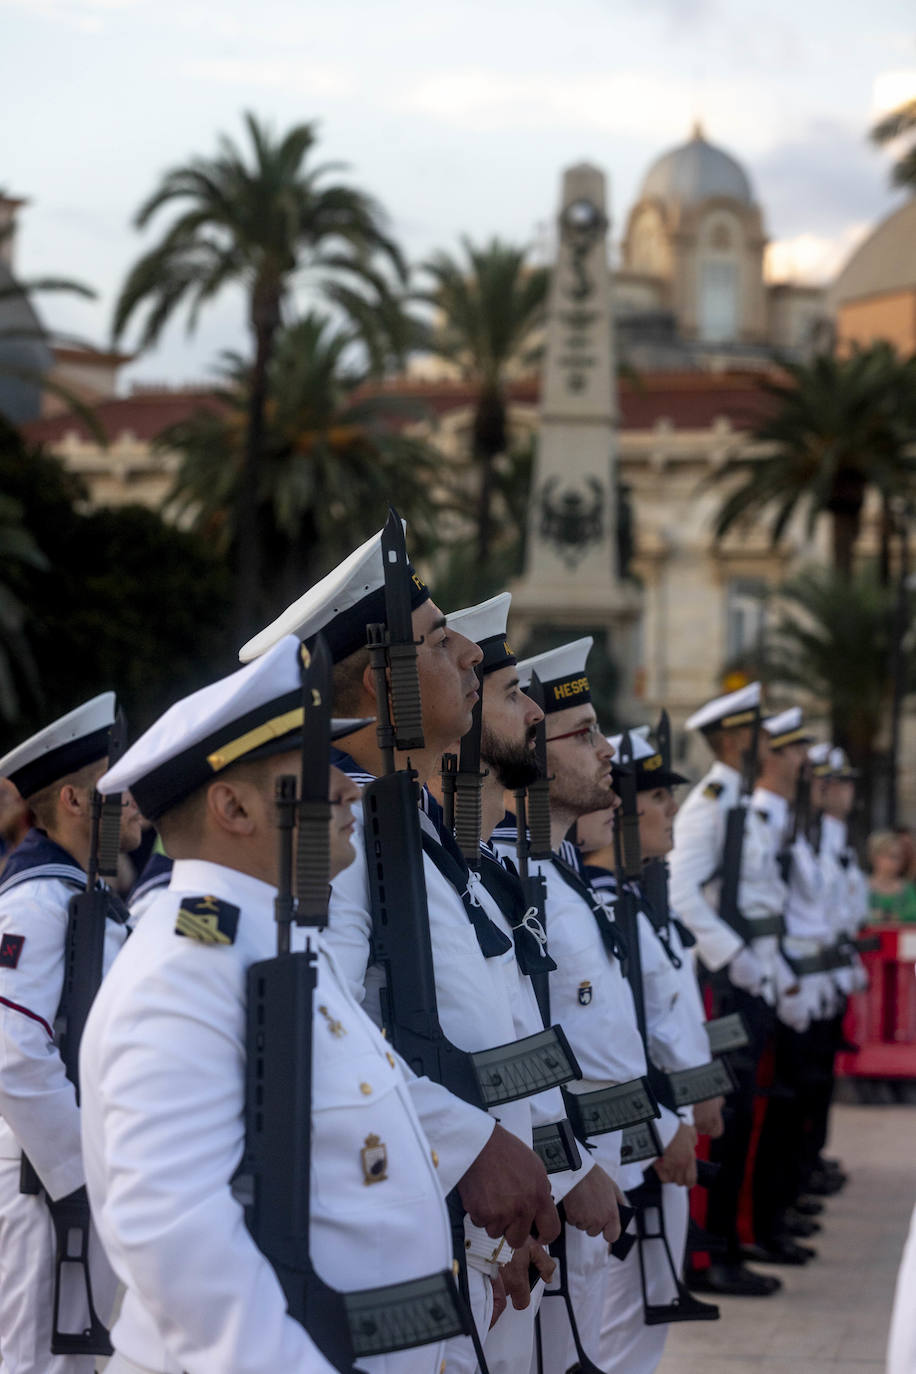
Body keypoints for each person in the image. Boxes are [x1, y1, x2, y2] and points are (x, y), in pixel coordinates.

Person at [80, 632, 542, 1374]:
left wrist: (473, 1142)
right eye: (308, 771)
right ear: (232, 805)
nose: (340, 786)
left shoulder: (278, 945)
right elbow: (174, 1233)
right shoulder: (183, 972)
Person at [240, 530, 599, 1374]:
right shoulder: (340, 837)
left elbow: (488, 1025)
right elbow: (328, 1031)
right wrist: (470, 1149)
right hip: (387, 1225)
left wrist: (515, 1182)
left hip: (461, 1225)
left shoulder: (417, 833)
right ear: (381, 681)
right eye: (442, 642)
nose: (472, 653)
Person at [492, 638, 692, 1374]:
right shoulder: (512, 879)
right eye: (586, 735)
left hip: (600, 1165)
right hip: (550, 1183)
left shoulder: (557, 873)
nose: (610, 751)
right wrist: (573, 1172)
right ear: (533, 754)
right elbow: (521, 1046)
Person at [0, 692, 142, 1374]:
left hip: (83, 1189)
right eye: (118, 787)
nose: (136, 799)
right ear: (75, 802)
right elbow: (12, 1051)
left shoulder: (88, 899)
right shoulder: (38, 901)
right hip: (48, 1193)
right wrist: (79, 1177)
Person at [577, 727, 724, 1374]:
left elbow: (674, 1024)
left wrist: (696, 1102)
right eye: (658, 797)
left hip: (665, 1125)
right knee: (613, 1326)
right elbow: (620, 1045)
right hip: (634, 1137)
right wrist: (671, 1125)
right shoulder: (607, 911)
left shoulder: (640, 904)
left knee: (643, 1317)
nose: (671, 813)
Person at [667, 682, 784, 1298]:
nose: (767, 746)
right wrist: (732, 954)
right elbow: (682, 893)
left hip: (743, 979)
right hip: (717, 983)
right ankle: (707, 1258)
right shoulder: (711, 804)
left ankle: (729, 1244)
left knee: (744, 1110)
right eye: (760, 736)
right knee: (722, 1114)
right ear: (737, 740)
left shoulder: (740, 801)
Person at [866, 831, 916, 923]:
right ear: (876, 857)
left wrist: (884, 916)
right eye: (892, 856)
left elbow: (913, 914)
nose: (897, 862)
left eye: (900, 857)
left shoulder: (908, 889)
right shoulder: (861, 887)